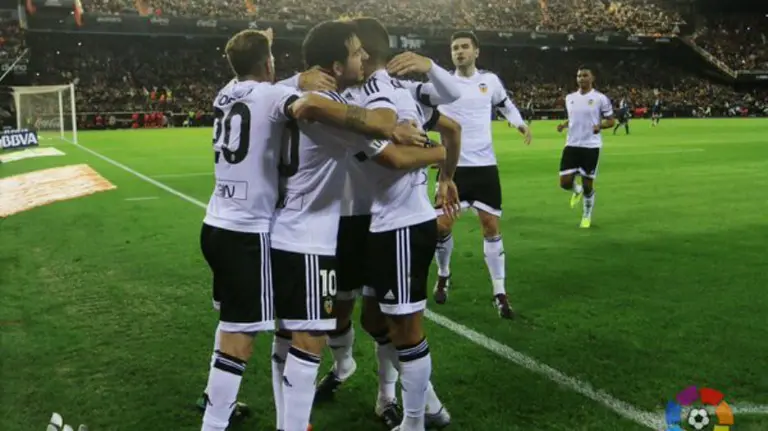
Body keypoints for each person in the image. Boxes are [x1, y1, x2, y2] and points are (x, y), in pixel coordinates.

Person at [269, 20, 447, 431]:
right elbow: (388, 142)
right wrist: (434, 152)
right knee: (320, 332)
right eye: (354, 53)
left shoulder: (278, 93)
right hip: (322, 228)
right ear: (338, 62)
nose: (362, 58)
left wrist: (297, 81)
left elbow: (443, 119)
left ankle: (405, 402)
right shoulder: (334, 109)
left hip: (294, 227)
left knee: (324, 328)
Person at [432, 31, 531, 318]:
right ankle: (444, 273)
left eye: (464, 47)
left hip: (485, 167)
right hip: (453, 169)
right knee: (441, 227)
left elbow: (504, 104)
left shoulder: (490, 81)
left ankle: (499, 292)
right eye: (454, 48)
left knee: (491, 227)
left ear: (476, 52)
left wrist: (519, 124)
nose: (459, 51)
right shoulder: (443, 84)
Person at [556, 65, 615, 229]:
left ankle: (586, 215)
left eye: (585, 75)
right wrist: (564, 125)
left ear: (592, 78)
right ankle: (577, 190)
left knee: (588, 184)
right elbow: (574, 117)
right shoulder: (570, 98)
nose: (581, 78)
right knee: (564, 182)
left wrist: (600, 126)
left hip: (590, 146)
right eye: (579, 76)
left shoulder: (600, 98)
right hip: (572, 144)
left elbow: (611, 121)